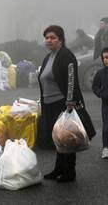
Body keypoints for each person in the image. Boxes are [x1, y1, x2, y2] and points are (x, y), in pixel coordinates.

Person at [37, 25, 95, 183]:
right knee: (58, 138)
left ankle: (70, 172)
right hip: (49, 103)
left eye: (52, 37)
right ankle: (59, 169)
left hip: (62, 103)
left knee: (67, 138)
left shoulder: (66, 55)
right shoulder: (49, 56)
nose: (49, 40)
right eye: (47, 37)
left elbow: (71, 79)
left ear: (60, 40)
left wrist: (70, 101)